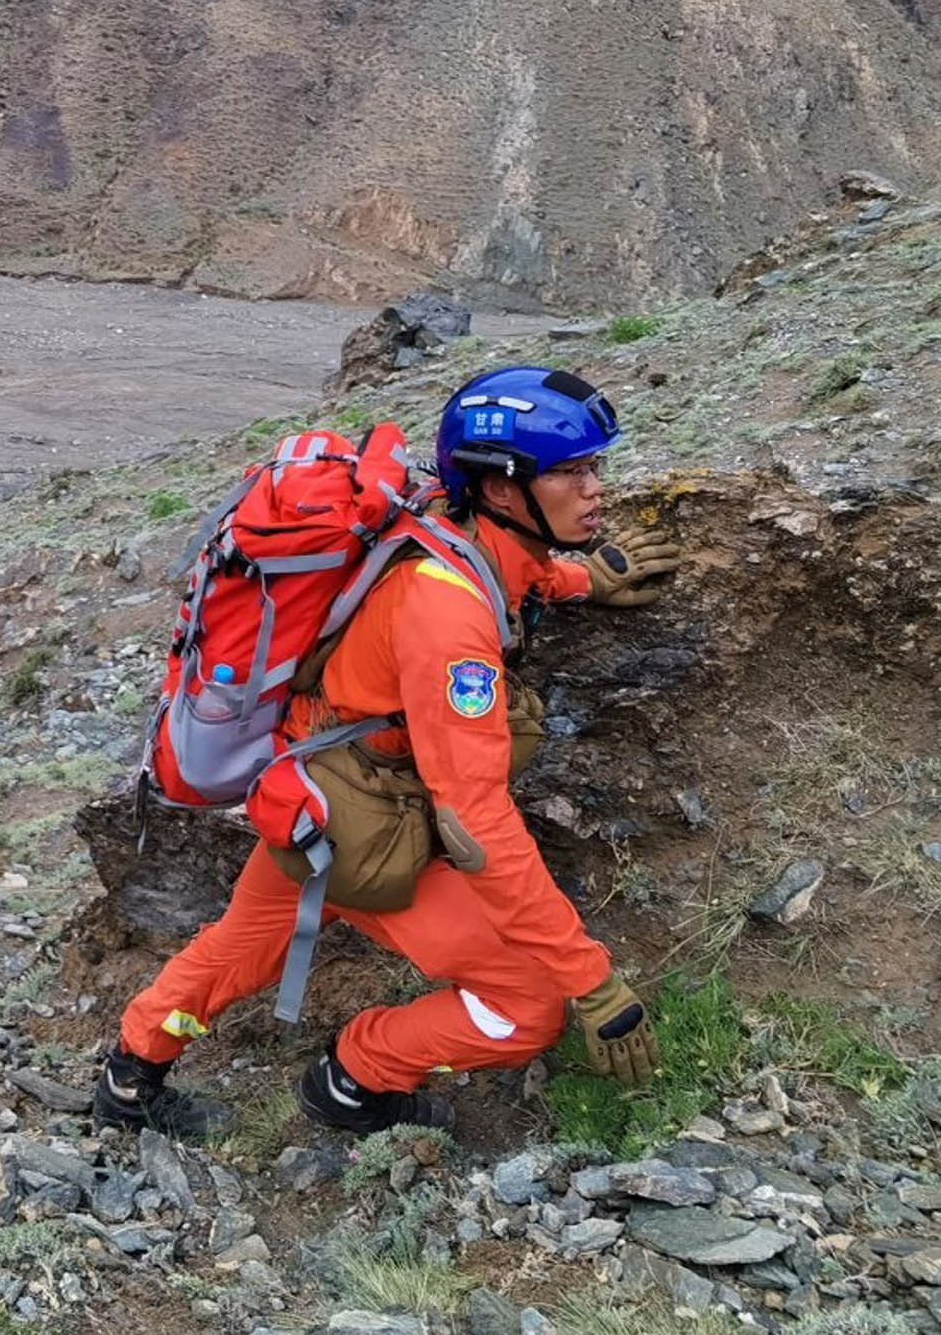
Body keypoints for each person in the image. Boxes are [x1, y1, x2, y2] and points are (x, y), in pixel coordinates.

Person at [97, 367, 680, 1137]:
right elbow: (474, 821)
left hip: (307, 795)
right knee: (527, 1003)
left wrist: (579, 580)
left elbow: (503, 566)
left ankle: (128, 1078)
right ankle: (355, 1079)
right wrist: (591, 979)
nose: (595, 488)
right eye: (570, 472)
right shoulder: (447, 622)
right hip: (367, 833)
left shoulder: (443, 524)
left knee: (238, 947)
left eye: (595, 466)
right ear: (501, 490)